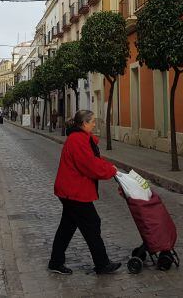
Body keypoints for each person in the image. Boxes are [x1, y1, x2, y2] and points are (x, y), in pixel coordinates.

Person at [48, 110, 121, 276]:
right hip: (74, 191)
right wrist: (110, 171)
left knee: (67, 227)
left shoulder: (79, 138)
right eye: (92, 121)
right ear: (84, 123)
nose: (94, 124)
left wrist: (109, 167)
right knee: (92, 224)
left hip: (70, 190)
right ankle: (102, 264)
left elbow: (92, 160)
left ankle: (55, 261)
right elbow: (89, 165)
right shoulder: (77, 140)